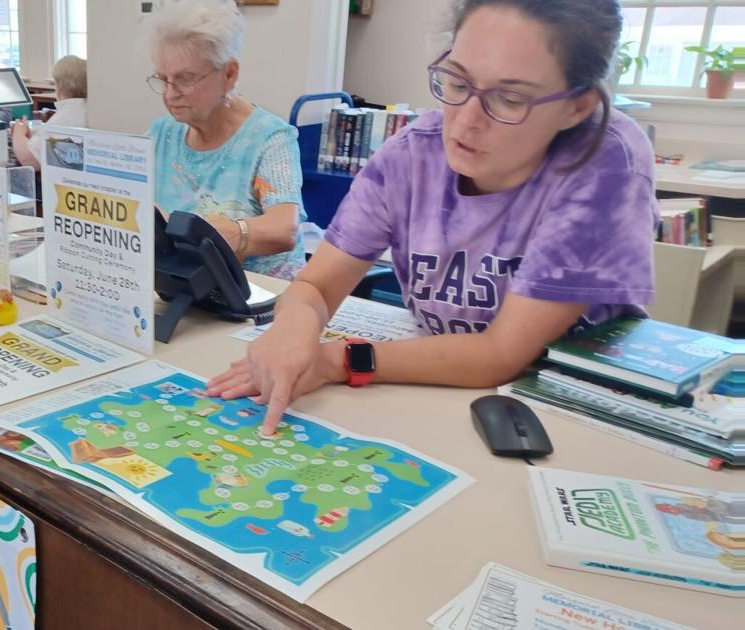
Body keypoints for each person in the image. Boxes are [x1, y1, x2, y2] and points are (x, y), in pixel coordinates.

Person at [207, 0, 658, 435]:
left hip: (576, 413)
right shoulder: (411, 154)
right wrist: (293, 329)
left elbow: (502, 354)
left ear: (577, 107)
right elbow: (316, 287)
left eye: (509, 99)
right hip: (438, 391)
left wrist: (332, 361)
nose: (466, 120)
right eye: (457, 82)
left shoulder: (604, 161)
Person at [146, 0, 308, 280]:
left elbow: (284, 229)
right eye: (163, 79)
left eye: (185, 79)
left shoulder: (270, 138)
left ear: (229, 74)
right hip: (187, 288)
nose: (170, 94)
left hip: (262, 293)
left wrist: (204, 233)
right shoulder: (161, 133)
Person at [11, 55, 88, 171]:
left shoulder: (67, 115)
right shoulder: (84, 108)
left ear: (59, 85)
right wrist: (37, 135)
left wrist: (18, 133)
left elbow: (30, 160)